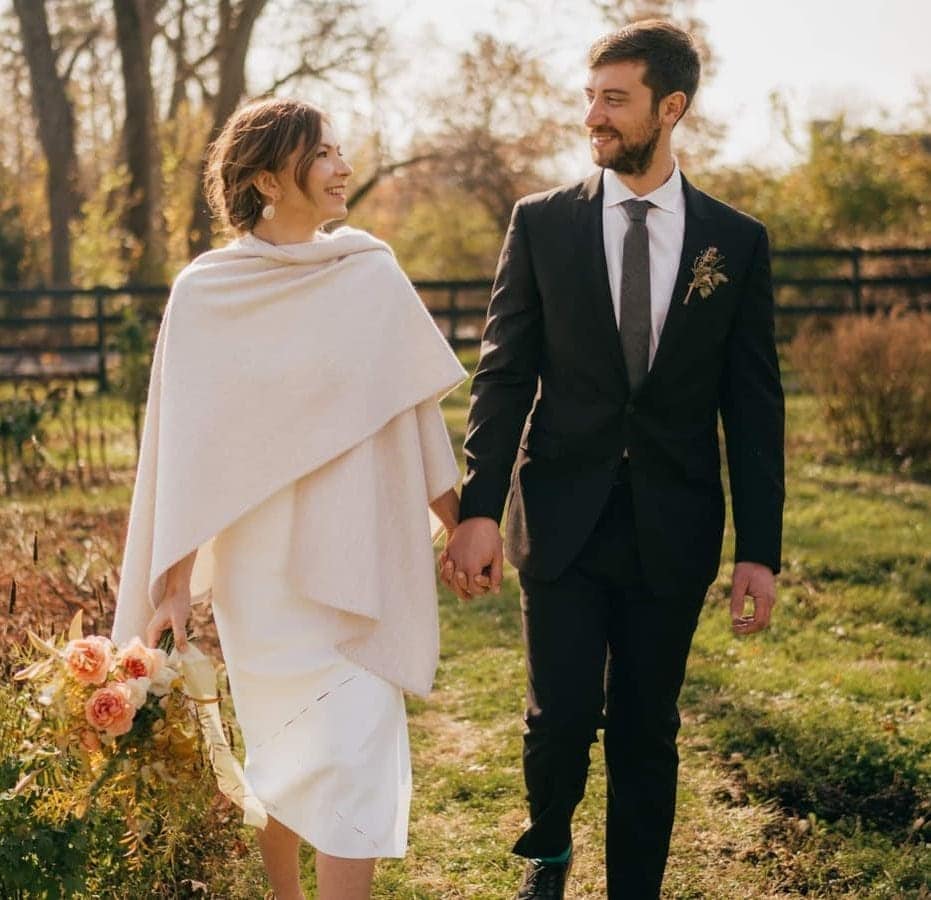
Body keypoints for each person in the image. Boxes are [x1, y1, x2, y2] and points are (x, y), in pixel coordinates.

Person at [440, 20, 785, 900]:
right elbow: (504, 372)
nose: (593, 114)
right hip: (558, 515)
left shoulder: (733, 242)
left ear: (670, 109)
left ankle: (636, 887)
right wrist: (477, 508)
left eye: (614, 98)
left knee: (646, 728)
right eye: (590, 95)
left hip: (672, 524)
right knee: (558, 721)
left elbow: (752, 403)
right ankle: (547, 850)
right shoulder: (542, 224)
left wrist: (759, 551)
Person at [111, 97, 467, 900]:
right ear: (270, 178)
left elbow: (414, 411)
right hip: (258, 570)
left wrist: (461, 523)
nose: (343, 167)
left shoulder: (369, 271)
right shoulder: (207, 291)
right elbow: (181, 449)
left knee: (355, 742)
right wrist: (171, 587)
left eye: (340, 151)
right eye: (323, 155)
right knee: (285, 744)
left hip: (358, 543)